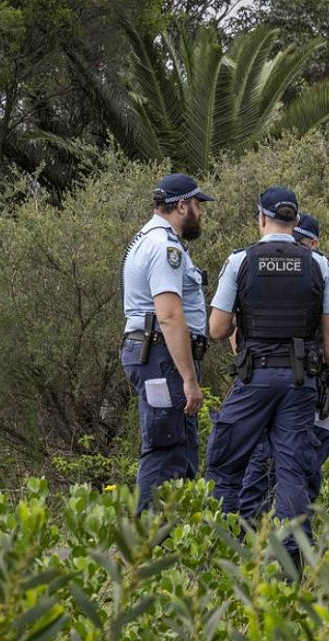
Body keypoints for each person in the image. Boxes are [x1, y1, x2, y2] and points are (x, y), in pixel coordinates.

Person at [204, 187, 329, 567]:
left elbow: (216, 329)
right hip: (302, 382)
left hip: (254, 379)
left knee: (225, 461)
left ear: (260, 218)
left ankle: (223, 550)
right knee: (292, 469)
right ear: (296, 222)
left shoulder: (240, 262)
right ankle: (293, 563)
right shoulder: (319, 265)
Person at [237, 212, 329, 521]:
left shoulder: (320, 266)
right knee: (284, 460)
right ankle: (279, 540)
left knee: (298, 461)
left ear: (313, 241)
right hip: (300, 379)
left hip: (297, 376)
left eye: (299, 239)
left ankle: (274, 536)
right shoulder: (320, 267)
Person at [121, 172, 214, 514]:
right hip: (161, 356)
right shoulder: (165, 247)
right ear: (181, 205)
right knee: (165, 449)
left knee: (181, 448)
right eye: (197, 205)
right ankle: (145, 547)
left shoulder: (149, 239)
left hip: (157, 354)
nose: (200, 212)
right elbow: (170, 315)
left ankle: (176, 545)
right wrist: (189, 379)